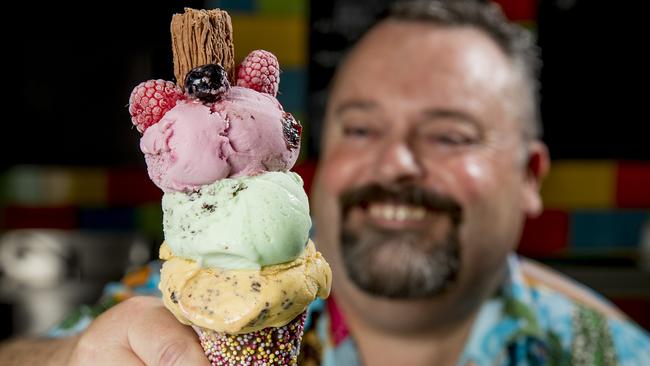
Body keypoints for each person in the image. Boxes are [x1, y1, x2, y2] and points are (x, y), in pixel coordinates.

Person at [1, 1, 648, 365]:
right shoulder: (186, 295)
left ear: (529, 176)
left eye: (449, 134)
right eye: (360, 130)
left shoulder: (608, 353)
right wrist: (66, 360)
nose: (395, 163)